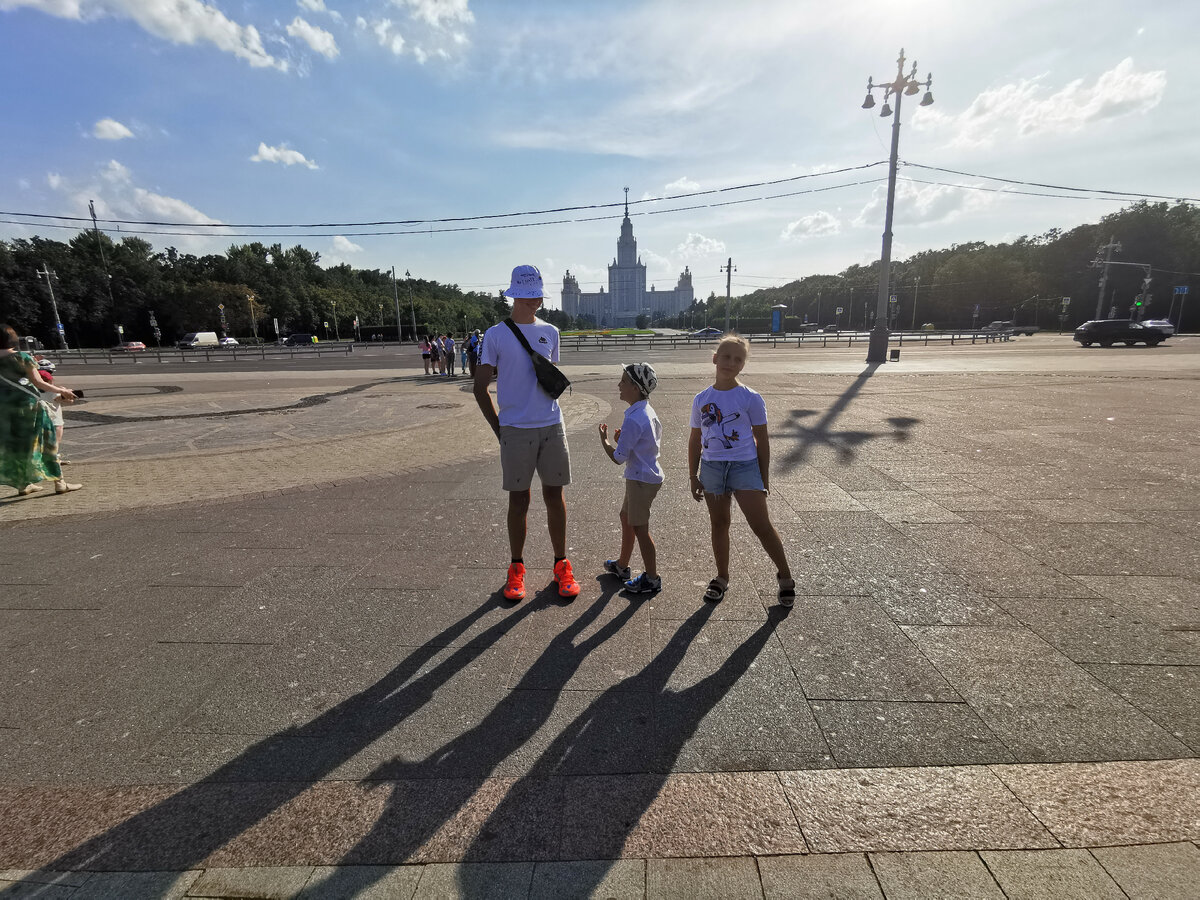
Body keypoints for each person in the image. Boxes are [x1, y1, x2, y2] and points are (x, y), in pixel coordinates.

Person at [473, 264, 580, 601]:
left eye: (537, 294)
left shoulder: (550, 331)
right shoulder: (495, 334)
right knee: (519, 500)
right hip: (516, 429)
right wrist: (499, 427)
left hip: (551, 424)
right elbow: (480, 387)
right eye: (530, 293)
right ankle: (516, 568)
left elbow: (547, 378)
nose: (536, 300)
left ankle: (561, 564)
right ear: (516, 294)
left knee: (555, 496)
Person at [688, 334, 794, 606]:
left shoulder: (750, 398)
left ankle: (785, 576)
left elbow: (762, 440)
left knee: (761, 525)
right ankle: (722, 577)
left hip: (745, 467)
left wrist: (763, 476)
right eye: (726, 356)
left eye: (738, 359)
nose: (730, 363)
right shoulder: (702, 398)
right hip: (712, 467)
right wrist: (693, 475)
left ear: (742, 365)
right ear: (715, 359)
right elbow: (695, 439)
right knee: (719, 523)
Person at [598, 363, 663, 594]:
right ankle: (622, 566)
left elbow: (618, 458)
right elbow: (644, 444)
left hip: (640, 480)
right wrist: (623, 439)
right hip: (643, 476)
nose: (619, 385)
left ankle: (652, 578)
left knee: (640, 528)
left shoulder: (635, 418)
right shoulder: (645, 410)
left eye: (623, 381)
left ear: (635, 388)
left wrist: (605, 440)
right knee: (626, 517)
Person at [0, 325, 81, 496]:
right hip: (30, 407)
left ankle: (23, 485)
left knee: (17, 446)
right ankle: (60, 483)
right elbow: (39, 383)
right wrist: (62, 391)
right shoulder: (22, 357)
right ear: (12, 339)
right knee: (47, 442)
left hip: (6, 410)